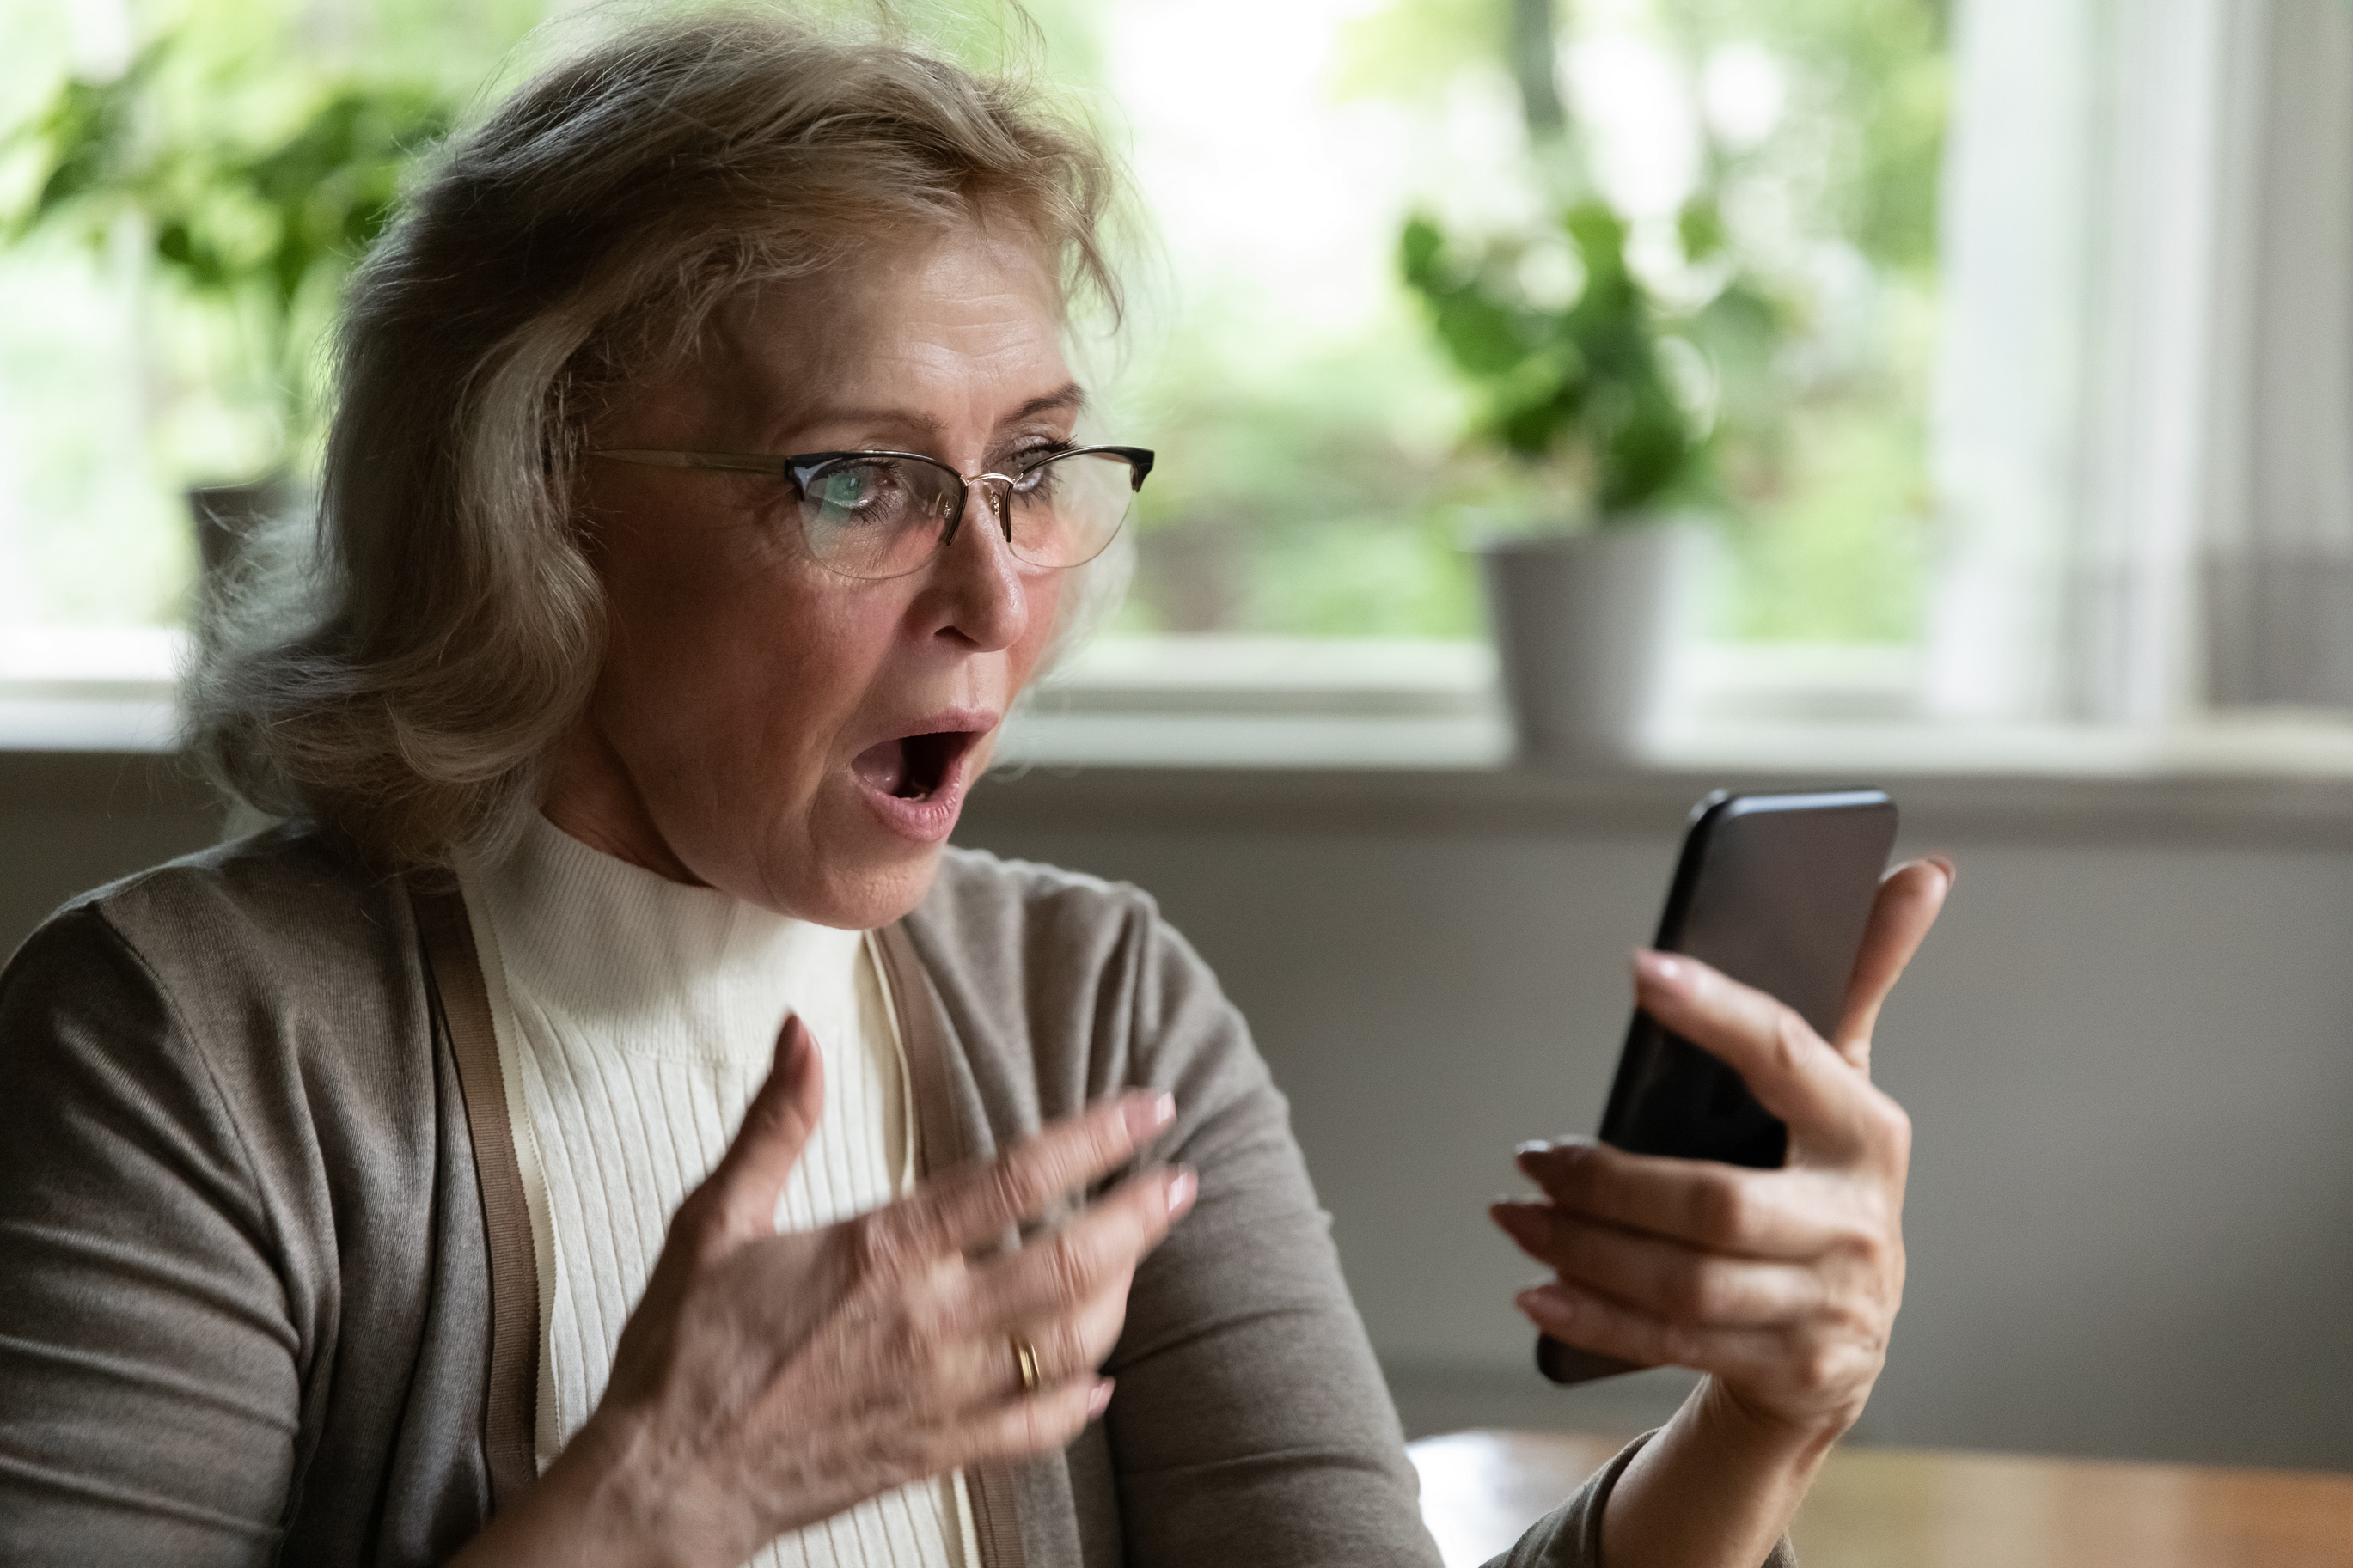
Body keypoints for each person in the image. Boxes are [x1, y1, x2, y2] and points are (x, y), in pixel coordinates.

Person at [0, 11, 1950, 1567]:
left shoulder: (1087, 999)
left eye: (1029, 464)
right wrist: (650, 1509)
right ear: (535, 519)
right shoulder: (187, 1042)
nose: (995, 590)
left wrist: (1761, 1425)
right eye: (851, 476)